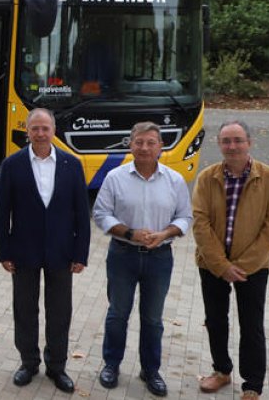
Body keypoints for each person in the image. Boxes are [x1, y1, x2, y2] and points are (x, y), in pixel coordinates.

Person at [92, 121, 193, 397]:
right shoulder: (115, 177)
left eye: (151, 143)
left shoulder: (174, 180)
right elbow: (101, 214)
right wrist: (131, 233)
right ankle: (111, 364)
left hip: (160, 257)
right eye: (139, 142)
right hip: (122, 254)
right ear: (130, 145)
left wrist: (165, 234)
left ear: (161, 147)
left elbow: (185, 217)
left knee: (153, 319)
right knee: (117, 315)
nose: (145, 148)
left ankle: (150, 370)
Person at [0, 108, 90, 394]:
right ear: (27, 131)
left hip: (62, 251)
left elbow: (81, 214)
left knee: (60, 311)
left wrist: (81, 253)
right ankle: (28, 362)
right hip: (23, 250)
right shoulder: (12, 165)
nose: (40, 133)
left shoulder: (72, 164)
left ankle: (57, 366)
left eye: (45, 128)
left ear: (53, 131)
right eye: (34, 128)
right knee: (25, 309)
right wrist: (4, 251)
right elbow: (2, 214)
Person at [191, 120, 269, 399]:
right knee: (216, 319)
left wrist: (241, 266)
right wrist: (221, 265)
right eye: (226, 141)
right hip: (212, 264)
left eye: (238, 140)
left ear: (249, 143)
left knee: (251, 324)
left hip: (253, 267)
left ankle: (253, 384)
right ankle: (221, 370)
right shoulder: (207, 177)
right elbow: (200, 222)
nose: (232, 146)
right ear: (219, 144)